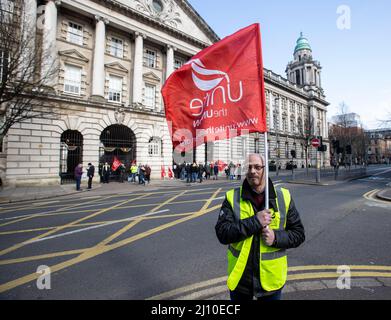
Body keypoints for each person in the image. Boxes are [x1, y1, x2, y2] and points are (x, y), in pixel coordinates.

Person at [215, 154, 305, 301]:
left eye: (257, 167)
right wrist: (255, 222)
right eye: (249, 167)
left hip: (270, 281)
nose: (252, 171)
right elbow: (222, 233)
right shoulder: (232, 197)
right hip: (241, 280)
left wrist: (276, 238)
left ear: (266, 169)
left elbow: (299, 234)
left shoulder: (283, 197)